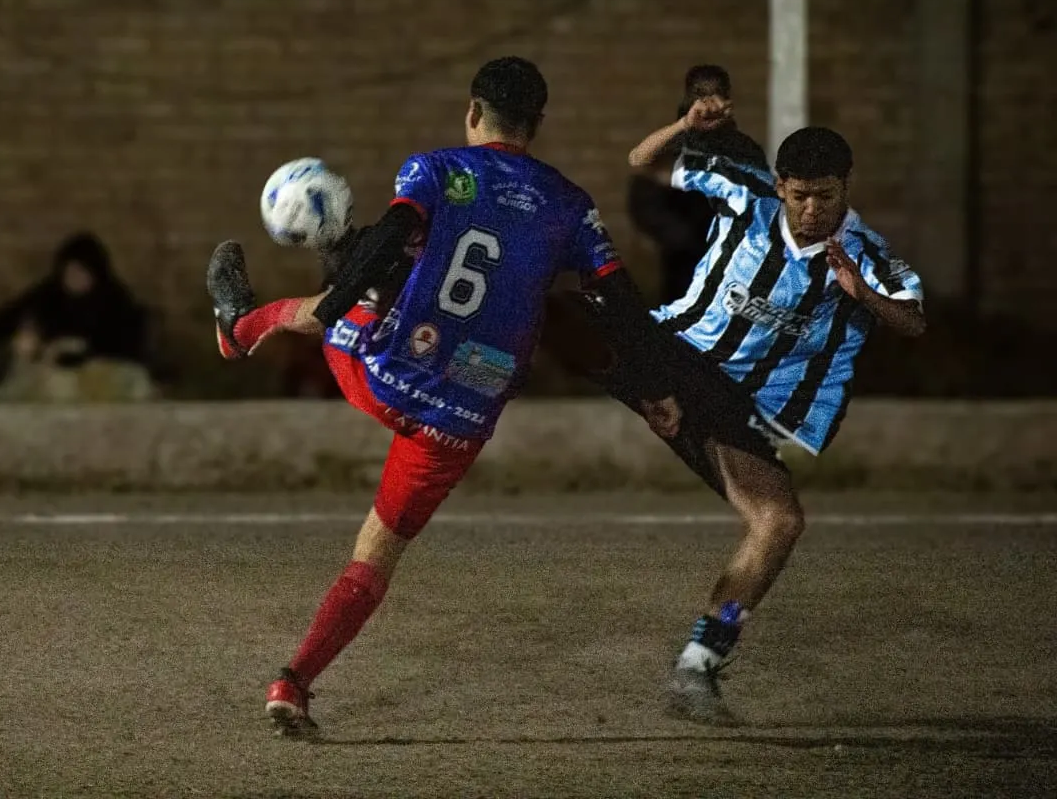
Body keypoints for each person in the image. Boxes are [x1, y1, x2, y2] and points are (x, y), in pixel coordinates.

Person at [205, 56, 682, 737]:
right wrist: (655, 391)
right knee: (376, 555)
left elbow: (393, 237)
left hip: (379, 375)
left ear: (473, 111)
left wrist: (335, 303)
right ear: (538, 123)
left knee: (368, 273)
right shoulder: (571, 205)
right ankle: (294, 683)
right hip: (461, 418)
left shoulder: (436, 169)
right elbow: (621, 301)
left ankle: (242, 326)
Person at [615, 94, 926, 720]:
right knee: (591, 311)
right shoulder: (745, 194)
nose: (812, 210)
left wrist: (862, 293)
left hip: (736, 408)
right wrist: (683, 127)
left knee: (779, 523)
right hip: (681, 359)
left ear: (845, 189)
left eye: (826, 196)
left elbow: (914, 321)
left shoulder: (865, 252)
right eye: (800, 195)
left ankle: (700, 660)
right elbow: (641, 162)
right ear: (780, 185)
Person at [627, 65, 768, 305]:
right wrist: (685, 124)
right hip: (685, 252)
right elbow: (639, 160)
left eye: (716, 94)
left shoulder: (743, 147)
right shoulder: (678, 139)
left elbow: (760, 198)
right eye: (701, 95)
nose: (709, 104)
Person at [0, 232, 154, 402]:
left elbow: (128, 345)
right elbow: (0, 324)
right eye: (69, 273)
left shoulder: (116, 300)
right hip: (53, 377)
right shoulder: (48, 294)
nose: (75, 279)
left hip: (101, 377)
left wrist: (84, 353)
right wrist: (24, 340)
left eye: (82, 273)